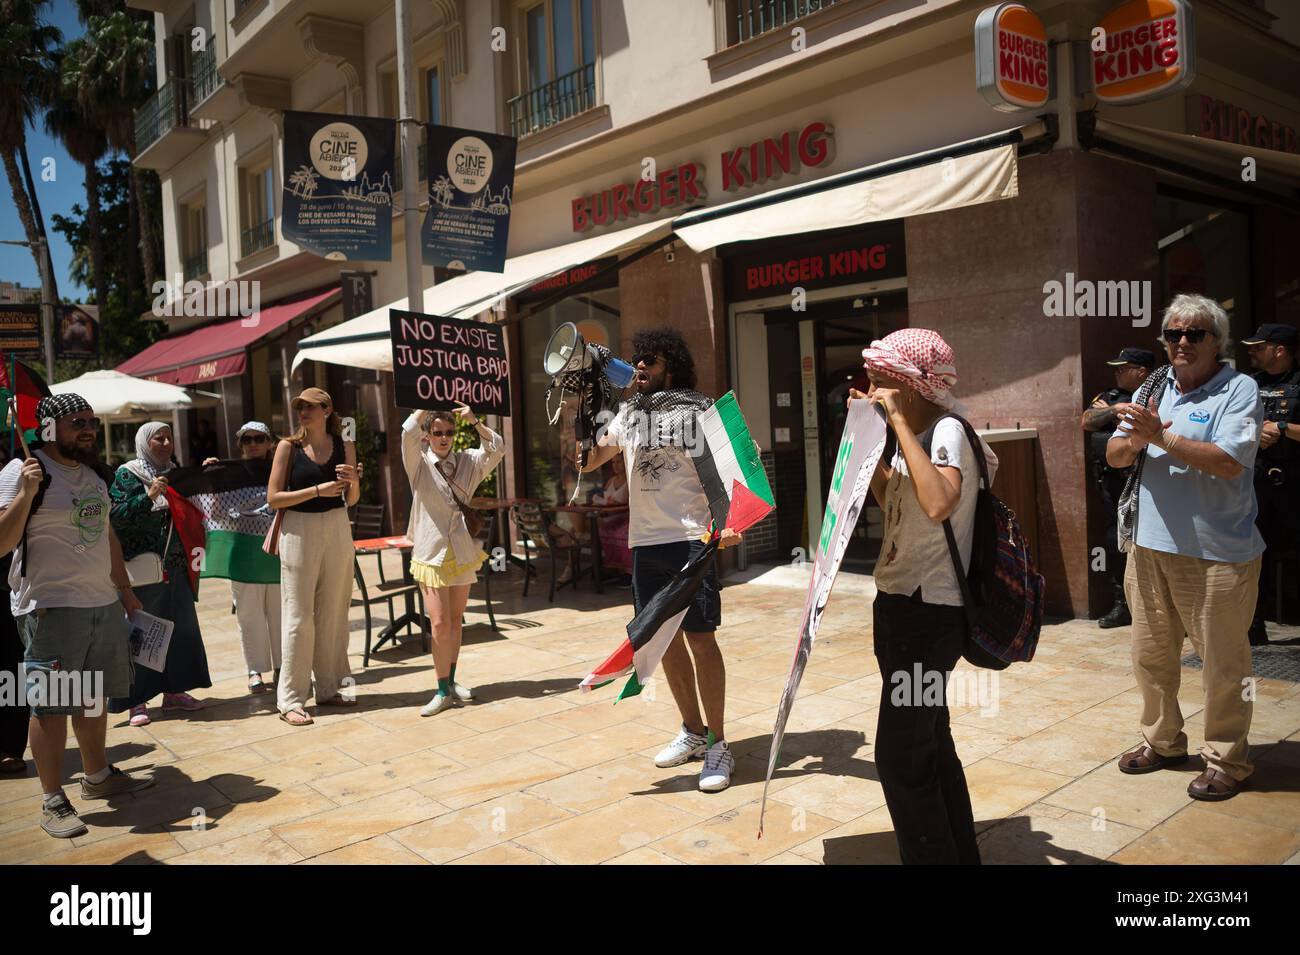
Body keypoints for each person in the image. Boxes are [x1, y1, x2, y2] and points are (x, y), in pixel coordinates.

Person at [1107, 293, 1262, 802]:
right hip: (1149, 546)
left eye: (1195, 333)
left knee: (1223, 664)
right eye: (1173, 334)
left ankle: (1227, 760)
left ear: (1217, 341)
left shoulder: (1238, 389)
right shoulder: (1155, 389)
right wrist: (1136, 438)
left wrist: (1163, 439)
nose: (1181, 342)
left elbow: (1229, 462)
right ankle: (1163, 741)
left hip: (1217, 553)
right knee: (1150, 656)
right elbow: (1114, 455)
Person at [849, 328, 996, 865]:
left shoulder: (946, 431)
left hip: (928, 615)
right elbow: (897, 499)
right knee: (930, 741)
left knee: (899, 757)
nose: (872, 388)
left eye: (882, 380)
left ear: (911, 384)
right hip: (900, 606)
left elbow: (938, 503)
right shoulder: (922, 432)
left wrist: (899, 425)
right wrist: (871, 449)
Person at [581, 327, 742, 792]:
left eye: (649, 361)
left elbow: (729, 470)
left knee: (700, 639)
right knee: (664, 641)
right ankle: (691, 731)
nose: (639, 368)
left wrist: (731, 521)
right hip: (645, 544)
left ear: (670, 364)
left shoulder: (698, 410)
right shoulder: (628, 413)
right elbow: (586, 461)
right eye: (636, 360)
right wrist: (585, 406)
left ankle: (718, 742)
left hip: (691, 539)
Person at [0, 394, 153, 838]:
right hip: (51, 608)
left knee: (92, 697)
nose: (87, 428)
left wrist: (125, 593)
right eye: (75, 421)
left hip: (101, 604)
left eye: (90, 420)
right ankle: (52, 800)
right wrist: (27, 493)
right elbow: (3, 542)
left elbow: (107, 537)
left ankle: (97, 776)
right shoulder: (22, 472)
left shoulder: (92, 476)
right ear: (48, 428)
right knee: (50, 707)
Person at [400, 404, 505, 716]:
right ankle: (442, 688)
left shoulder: (469, 461)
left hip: (460, 550)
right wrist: (424, 405)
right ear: (428, 436)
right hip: (430, 552)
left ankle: (454, 680)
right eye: (437, 433)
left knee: (456, 622)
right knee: (440, 623)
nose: (443, 438)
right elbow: (406, 434)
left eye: (448, 432)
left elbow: (498, 447)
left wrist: (474, 420)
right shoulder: (417, 462)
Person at [266, 388, 360, 726]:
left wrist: (354, 481)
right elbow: (274, 498)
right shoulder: (287, 447)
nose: (303, 412)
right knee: (298, 615)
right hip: (299, 528)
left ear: (327, 409)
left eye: (310, 407)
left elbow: (351, 498)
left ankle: (329, 687)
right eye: (299, 407)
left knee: (335, 610)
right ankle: (290, 698)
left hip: (336, 524)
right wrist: (317, 490)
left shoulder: (344, 444)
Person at [108, 423, 211, 726]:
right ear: (143, 442)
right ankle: (136, 701)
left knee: (180, 632)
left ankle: (174, 691)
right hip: (143, 570)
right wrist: (148, 496)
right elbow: (114, 517)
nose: (166, 443)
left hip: (175, 566)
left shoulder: (175, 473)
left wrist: (210, 474)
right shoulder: (127, 474)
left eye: (169, 438)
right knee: (141, 634)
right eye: (159, 438)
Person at [1080, 347, 1155, 628]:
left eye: (1123, 368)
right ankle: (1122, 605)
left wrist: (1124, 417)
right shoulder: (1111, 396)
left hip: (1147, 482)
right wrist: (1116, 410)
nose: (1117, 373)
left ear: (1141, 372)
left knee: (1152, 543)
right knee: (1115, 541)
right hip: (1113, 484)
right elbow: (1087, 420)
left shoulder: (1158, 396)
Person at [205, 422, 282, 692]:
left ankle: (282, 668)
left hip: (276, 552)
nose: (253, 443)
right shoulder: (229, 474)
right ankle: (255, 671)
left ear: (270, 442)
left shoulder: (282, 469)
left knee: (279, 614)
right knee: (249, 617)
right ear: (240, 444)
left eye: (259, 438)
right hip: (243, 554)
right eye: (247, 439)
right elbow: (214, 514)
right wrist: (213, 477)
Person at [1243, 323, 1300, 646]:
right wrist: (1254, 432)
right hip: (1258, 479)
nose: (1251, 351)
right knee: (1255, 553)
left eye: (1258, 346)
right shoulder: (1249, 386)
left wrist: (1280, 426)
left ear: (1279, 350)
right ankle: (1254, 625)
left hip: (1295, 480)